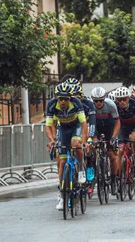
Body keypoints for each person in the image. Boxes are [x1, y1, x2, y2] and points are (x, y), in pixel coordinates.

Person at [46, 82, 88, 210]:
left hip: (75, 127)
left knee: (76, 144)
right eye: (61, 99)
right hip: (63, 128)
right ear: (57, 98)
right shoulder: (52, 104)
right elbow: (49, 125)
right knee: (62, 161)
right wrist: (53, 140)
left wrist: (84, 141)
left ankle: (80, 169)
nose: (63, 101)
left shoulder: (76, 102)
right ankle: (63, 196)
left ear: (70, 98)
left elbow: (84, 124)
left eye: (66, 99)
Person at [90, 86, 120, 195]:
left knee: (112, 155)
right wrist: (92, 137)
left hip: (109, 128)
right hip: (96, 127)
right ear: (92, 100)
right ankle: (92, 174)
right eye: (95, 101)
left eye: (100, 100)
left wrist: (113, 137)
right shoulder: (90, 106)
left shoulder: (111, 105)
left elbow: (117, 122)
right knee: (91, 149)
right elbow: (88, 124)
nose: (98, 103)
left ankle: (113, 180)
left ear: (104, 99)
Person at [69, 85, 97, 184]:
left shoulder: (88, 104)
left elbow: (92, 123)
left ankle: (89, 164)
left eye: (77, 97)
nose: (75, 99)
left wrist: (89, 139)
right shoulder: (68, 104)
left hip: (87, 125)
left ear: (81, 96)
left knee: (88, 145)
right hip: (73, 127)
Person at [116, 87, 135, 167]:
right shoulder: (115, 105)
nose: (122, 102)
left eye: (124, 99)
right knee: (120, 150)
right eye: (119, 100)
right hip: (122, 126)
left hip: (134, 125)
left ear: (128, 98)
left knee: (133, 138)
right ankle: (118, 175)